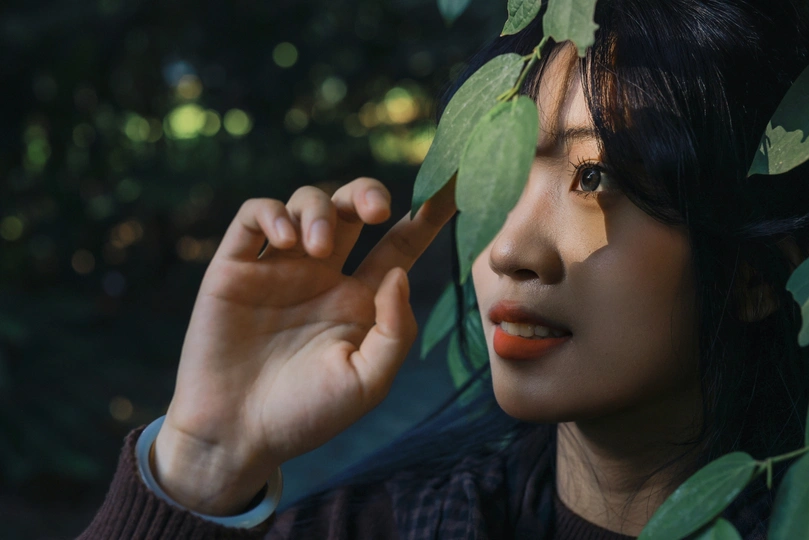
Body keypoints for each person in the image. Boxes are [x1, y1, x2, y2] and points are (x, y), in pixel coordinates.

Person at [80, 0, 809, 538]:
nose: (505, 249)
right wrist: (205, 459)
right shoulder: (383, 526)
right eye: (500, 170)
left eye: (595, 177)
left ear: (755, 272)